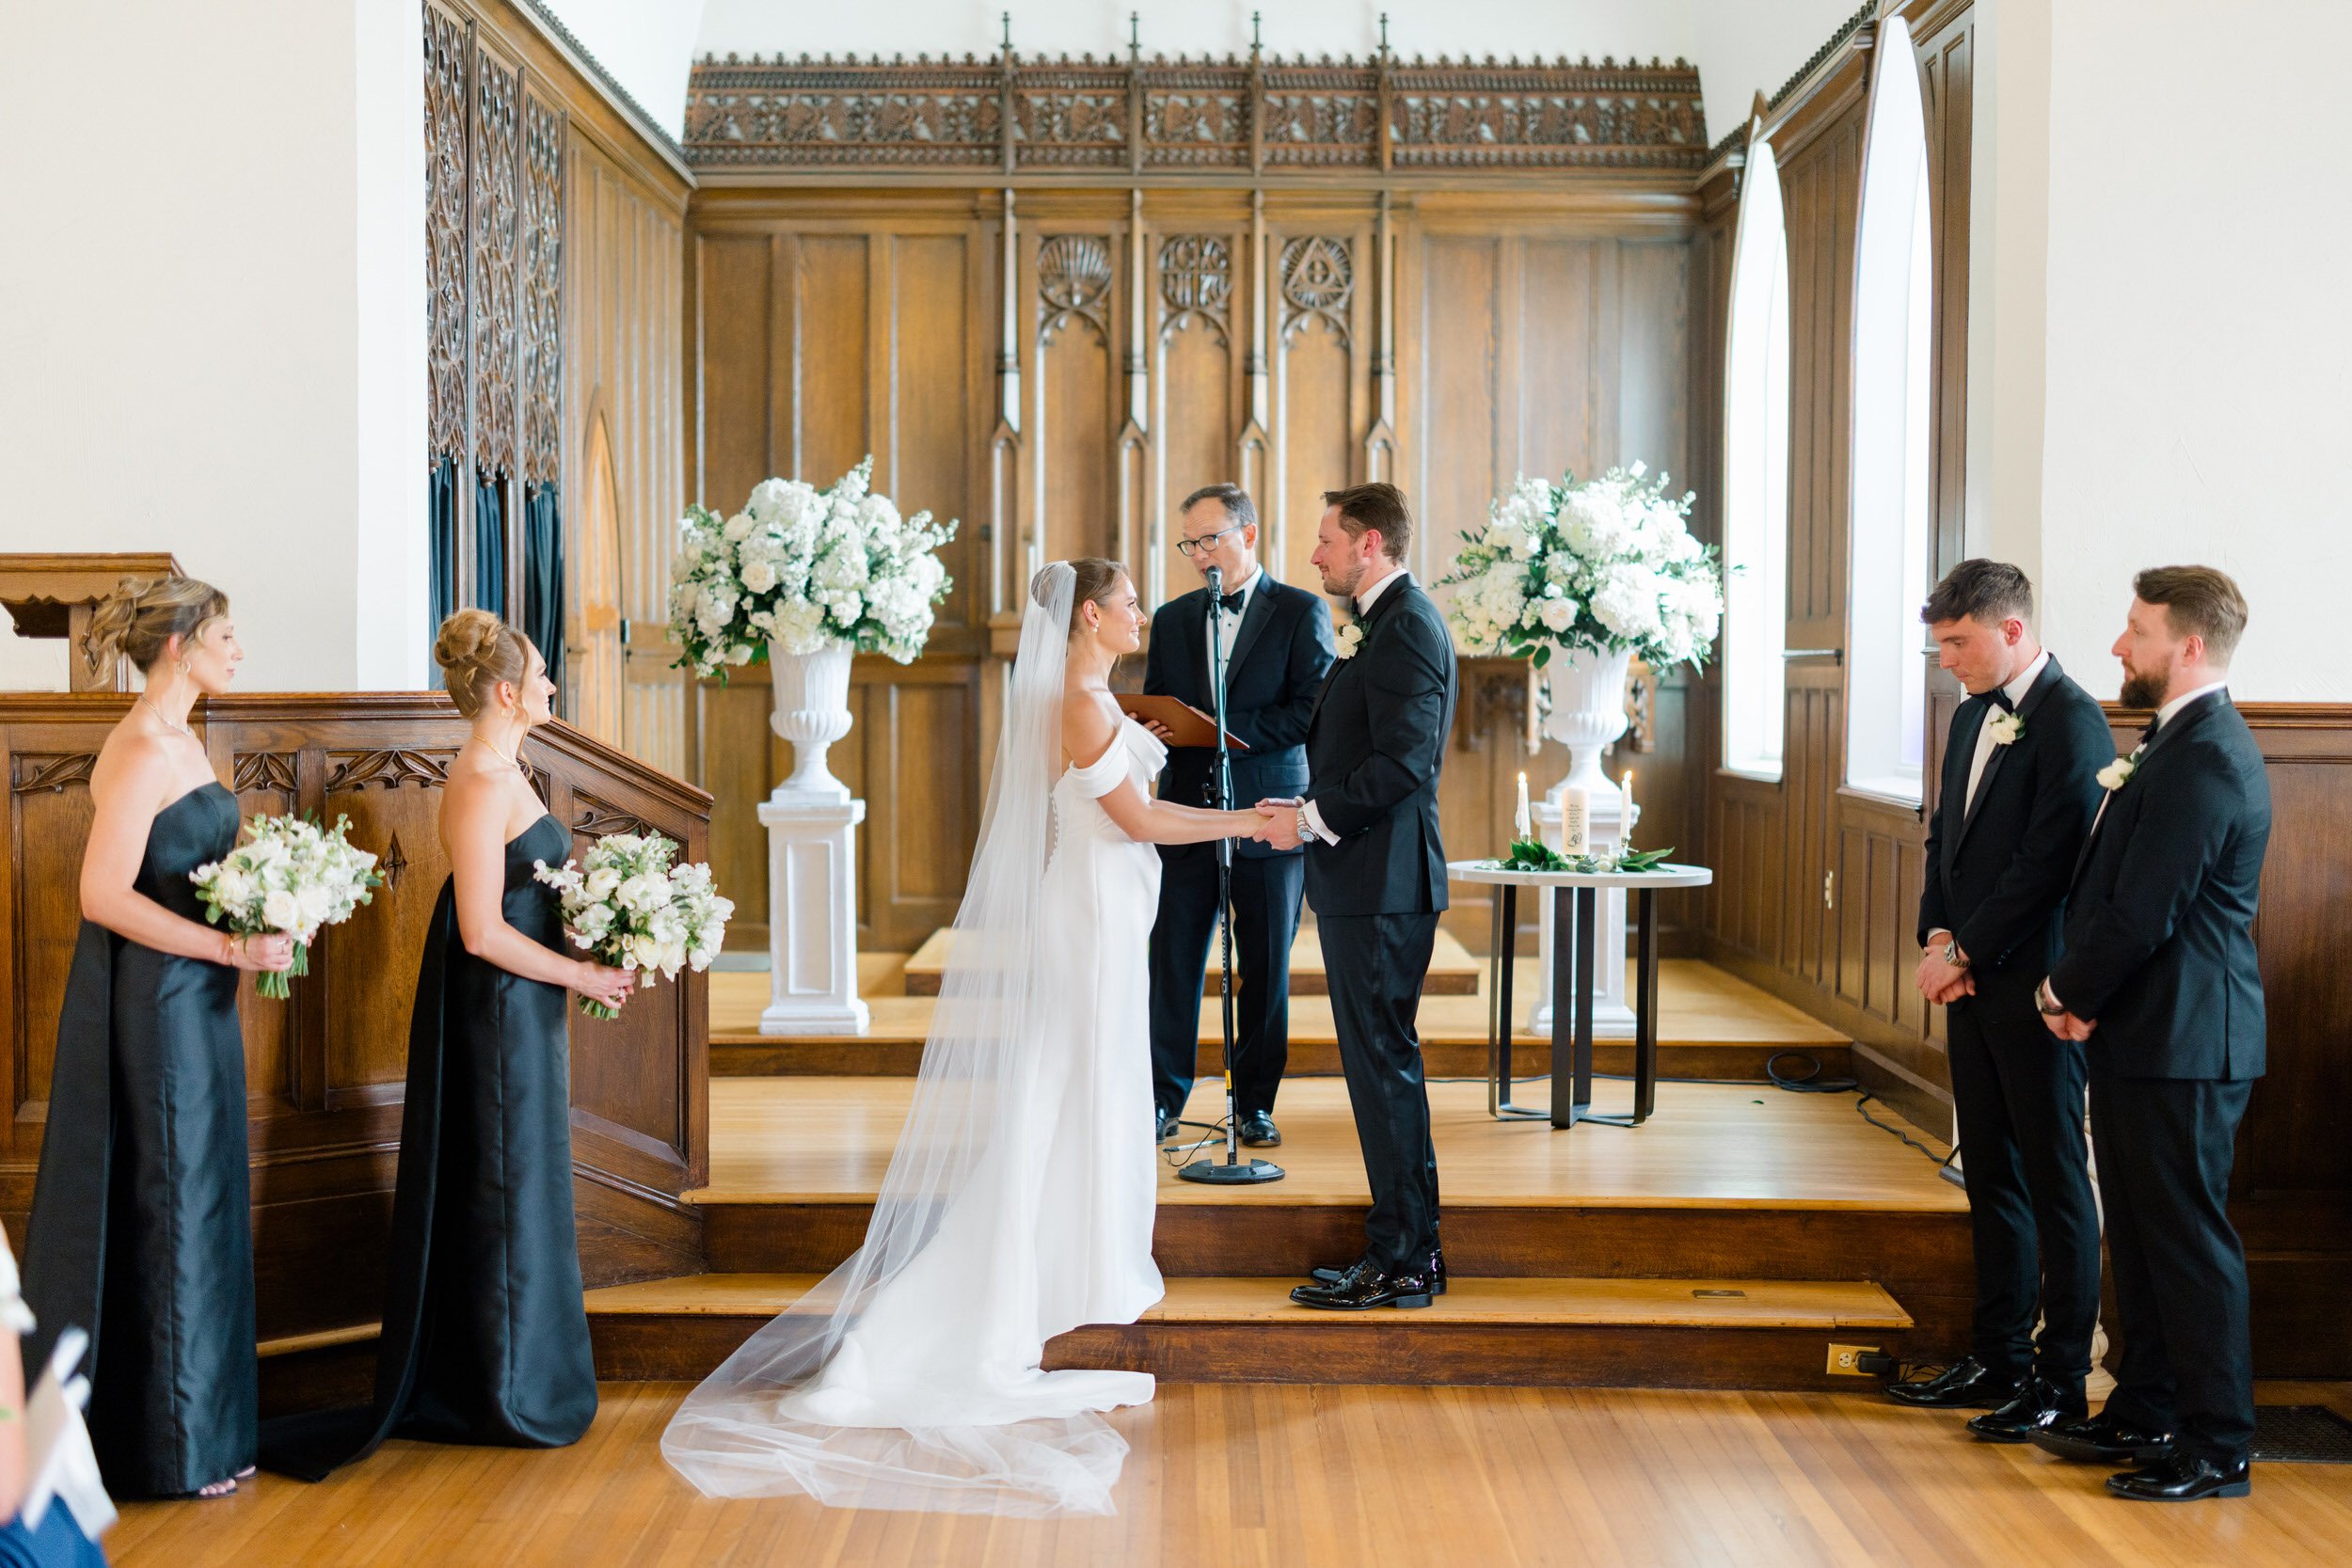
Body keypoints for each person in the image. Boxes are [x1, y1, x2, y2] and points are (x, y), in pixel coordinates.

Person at [662, 559, 1267, 1515]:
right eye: (1128, 603)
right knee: (1063, 1095)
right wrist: (1251, 820)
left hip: (1109, 908)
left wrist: (1143, 738)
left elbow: (1116, 790)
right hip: (1092, 918)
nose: (1142, 613)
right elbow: (1137, 818)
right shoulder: (1078, 701)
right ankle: (987, 1300)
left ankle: (1047, 1274)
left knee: (1077, 1095)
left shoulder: (1094, 698)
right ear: (1089, 615)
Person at [260, 611, 634, 1480]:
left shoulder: (511, 765)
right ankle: (503, 1390)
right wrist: (578, 974)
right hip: (493, 1007)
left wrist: (601, 934)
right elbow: (479, 930)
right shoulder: (477, 778)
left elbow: (527, 895)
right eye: (539, 675)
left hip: (525, 1001)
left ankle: (524, 1374)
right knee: (502, 1178)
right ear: (506, 691)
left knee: (525, 1174)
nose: (550, 685)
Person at [20, 577, 293, 1500]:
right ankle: (175, 1443)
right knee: (174, 1204)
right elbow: (101, 894)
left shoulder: (184, 736)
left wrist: (272, 899)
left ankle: (211, 1427)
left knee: (204, 1201)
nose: (238, 650)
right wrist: (228, 945)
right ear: (179, 644)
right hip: (162, 1001)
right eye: (225, 634)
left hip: (202, 1003)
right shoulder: (139, 745)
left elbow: (190, 867)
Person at [2028, 566, 2270, 1503]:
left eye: (2137, 630)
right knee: (2137, 1234)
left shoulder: (2207, 756)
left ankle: (2218, 1442)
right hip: (2146, 1033)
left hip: (2188, 1042)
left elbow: (2146, 909)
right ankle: (2146, 1408)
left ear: (2190, 645)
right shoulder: (2174, 740)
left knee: (2187, 1242)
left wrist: (2064, 988)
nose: (2119, 645)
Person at [1888, 561, 2110, 1441]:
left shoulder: (2072, 721)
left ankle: (2062, 1378)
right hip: (1971, 980)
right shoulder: (1970, 714)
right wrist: (1938, 936)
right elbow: (1945, 833)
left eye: (1958, 642)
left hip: (2035, 988)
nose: (1945, 660)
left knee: (2054, 1179)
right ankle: (1998, 1356)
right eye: (1940, 643)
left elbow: (2048, 863)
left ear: (2012, 630)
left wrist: (1967, 951)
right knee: (1988, 1170)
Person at [1257, 484, 1456, 1311]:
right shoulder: (1384, 622)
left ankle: (1403, 1257)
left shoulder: (1406, 626)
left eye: (1326, 541)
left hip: (1384, 885)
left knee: (1382, 1069)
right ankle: (1409, 1248)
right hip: (1370, 882)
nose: (1315, 556)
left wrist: (1309, 820)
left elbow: (1407, 760)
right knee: (1380, 1069)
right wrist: (1303, 808)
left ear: (1370, 543)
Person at [1141, 483, 1334, 1148]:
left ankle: (1254, 1103)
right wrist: (1161, 728)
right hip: (1184, 812)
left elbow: (1310, 711)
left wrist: (1227, 733)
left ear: (1248, 535)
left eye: (1210, 539)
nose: (1200, 555)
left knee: (1266, 966)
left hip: (1269, 812)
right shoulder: (1172, 618)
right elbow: (1161, 705)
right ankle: (1162, 1098)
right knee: (1173, 960)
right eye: (1189, 544)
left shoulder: (1301, 610)